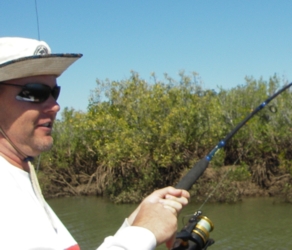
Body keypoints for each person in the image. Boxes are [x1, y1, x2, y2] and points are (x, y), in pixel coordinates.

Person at [0, 37, 190, 250]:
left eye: (54, 93)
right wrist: (144, 232)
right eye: (36, 93)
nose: (55, 106)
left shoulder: (20, 172)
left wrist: (134, 223)